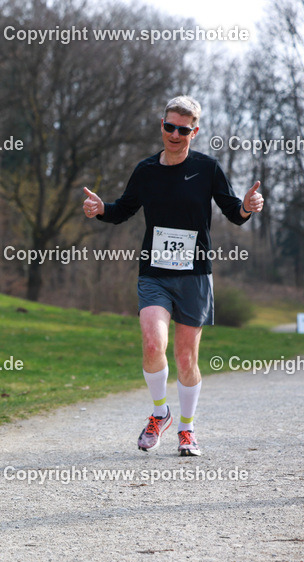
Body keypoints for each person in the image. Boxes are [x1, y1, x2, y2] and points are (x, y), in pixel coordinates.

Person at [82, 95, 264, 456]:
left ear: (194, 132)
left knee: (185, 359)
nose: (175, 134)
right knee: (152, 344)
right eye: (170, 127)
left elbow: (232, 212)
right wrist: (102, 209)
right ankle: (160, 413)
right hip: (155, 273)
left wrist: (246, 206)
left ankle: (187, 429)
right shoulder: (146, 170)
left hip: (195, 274)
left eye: (183, 129)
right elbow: (123, 210)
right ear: (161, 126)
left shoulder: (208, 168)